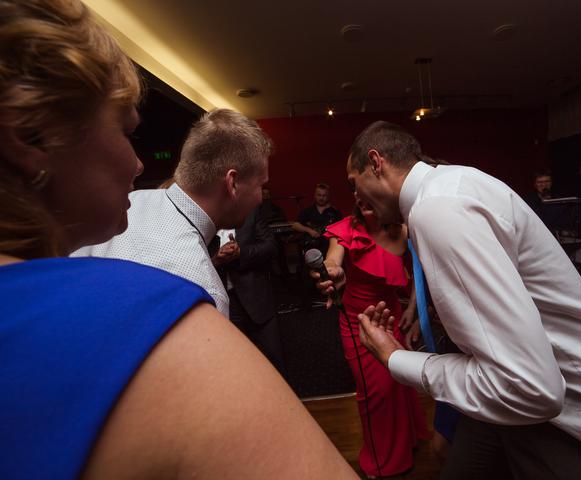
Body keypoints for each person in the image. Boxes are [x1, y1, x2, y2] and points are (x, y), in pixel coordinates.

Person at [0, 1, 358, 478]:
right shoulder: (184, 291)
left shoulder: (137, 207)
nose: (138, 164)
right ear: (31, 136)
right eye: (125, 131)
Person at [332, 121, 581, 479]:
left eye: (353, 183)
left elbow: (531, 388)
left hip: (576, 417)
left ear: (376, 162)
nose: (355, 197)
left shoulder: (437, 209)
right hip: (517, 396)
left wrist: (397, 359)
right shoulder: (451, 185)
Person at [73, 107, 270, 317]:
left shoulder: (130, 202)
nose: (261, 197)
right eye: (261, 185)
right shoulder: (203, 292)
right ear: (233, 184)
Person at [314, 200, 428, 478]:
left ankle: (406, 443)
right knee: (376, 393)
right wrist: (331, 271)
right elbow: (332, 260)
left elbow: (419, 272)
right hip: (358, 324)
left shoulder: (404, 230)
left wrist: (412, 310)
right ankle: (381, 462)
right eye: (356, 191)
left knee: (398, 383)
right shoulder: (348, 229)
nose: (361, 197)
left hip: (390, 318)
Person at [214, 206, 287, 378]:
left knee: (274, 362)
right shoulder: (204, 218)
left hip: (257, 298)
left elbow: (271, 247)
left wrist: (241, 253)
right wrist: (217, 258)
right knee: (237, 365)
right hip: (223, 303)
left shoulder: (250, 213)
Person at [292, 182, 343, 254]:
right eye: (319, 195)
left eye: (324, 195)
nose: (321, 198)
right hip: (311, 247)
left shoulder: (335, 212)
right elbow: (295, 225)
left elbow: (342, 228)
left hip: (329, 247)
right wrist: (309, 230)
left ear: (328, 196)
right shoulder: (308, 211)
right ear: (315, 195)